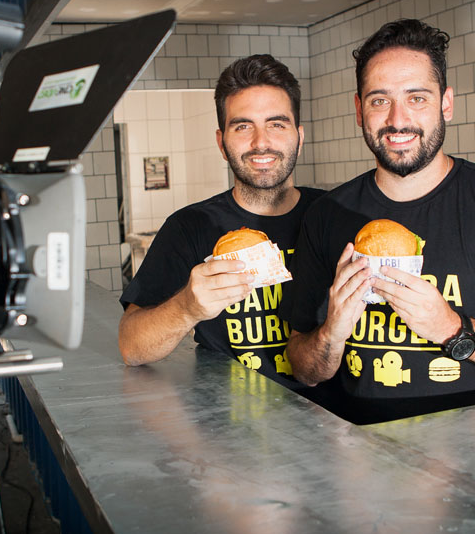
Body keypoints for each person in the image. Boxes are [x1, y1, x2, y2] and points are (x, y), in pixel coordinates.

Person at [282, 19, 475, 423]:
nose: (397, 119)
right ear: (359, 108)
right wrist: (332, 331)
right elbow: (303, 367)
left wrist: (452, 328)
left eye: (416, 98)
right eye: (379, 100)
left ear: (446, 103)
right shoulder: (327, 214)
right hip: (368, 451)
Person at [118, 54, 324, 392]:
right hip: (228, 431)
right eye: (243, 126)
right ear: (221, 143)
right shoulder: (190, 227)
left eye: (277, 123)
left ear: (298, 138)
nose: (261, 142)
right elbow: (131, 347)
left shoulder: (331, 215)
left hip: (330, 421)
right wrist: (187, 307)